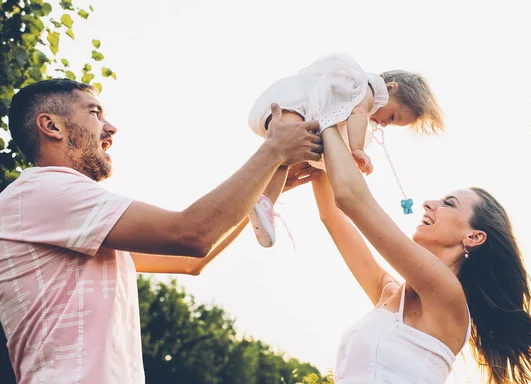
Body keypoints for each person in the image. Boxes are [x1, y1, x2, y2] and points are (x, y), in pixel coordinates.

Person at [0, 78, 323, 384]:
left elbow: (190, 260)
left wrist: (265, 180)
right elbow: (191, 234)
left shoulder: (65, 218)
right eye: (94, 113)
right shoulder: (44, 190)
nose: (111, 128)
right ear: (52, 126)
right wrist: (272, 152)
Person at [309, 116, 531, 383]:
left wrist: (329, 117)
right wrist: (316, 158)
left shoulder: (447, 295)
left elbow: (350, 197)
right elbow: (333, 217)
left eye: (448, 204)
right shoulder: (391, 293)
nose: (428, 203)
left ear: (474, 237)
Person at [247, 53, 443, 248]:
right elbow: (357, 114)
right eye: (391, 117)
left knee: (287, 156)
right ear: (390, 88)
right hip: (294, 103)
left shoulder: (352, 98)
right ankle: (264, 202)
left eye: (390, 124)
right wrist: (357, 149)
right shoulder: (367, 90)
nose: (383, 124)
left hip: (289, 107)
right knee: (288, 151)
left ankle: (264, 204)